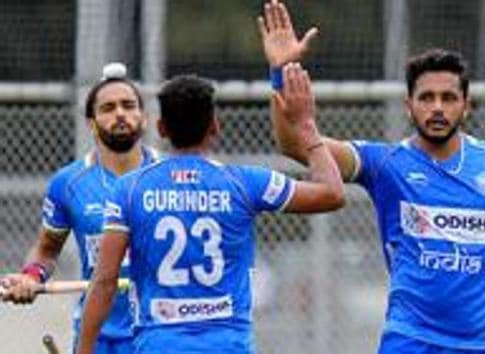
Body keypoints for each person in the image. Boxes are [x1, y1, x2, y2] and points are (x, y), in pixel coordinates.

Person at [258, 1, 485, 353]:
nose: (438, 108)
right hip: (412, 340)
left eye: (449, 97)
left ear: (466, 105)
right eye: (426, 98)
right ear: (408, 105)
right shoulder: (385, 163)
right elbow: (294, 143)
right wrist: (281, 70)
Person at [76, 67, 344, 354]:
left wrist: (83, 350)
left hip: (159, 345)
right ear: (215, 126)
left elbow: (104, 281)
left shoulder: (129, 190)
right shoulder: (244, 183)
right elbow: (332, 193)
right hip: (228, 346)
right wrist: (305, 125)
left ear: (161, 128)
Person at [0, 63, 158, 353]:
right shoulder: (69, 183)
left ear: (144, 118)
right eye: (108, 108)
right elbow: (47, 250)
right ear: (91, 123)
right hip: (99, 336)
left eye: (128, 105)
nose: (120, 113)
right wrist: (31, 276)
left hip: (162, 333)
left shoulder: (171, 174)